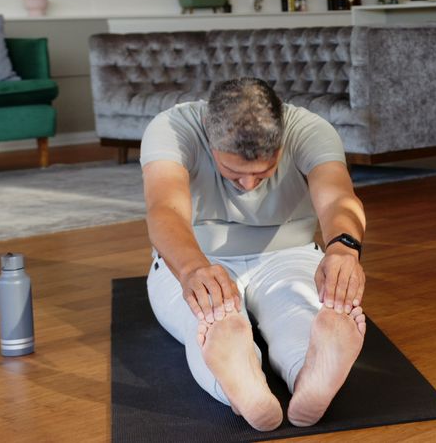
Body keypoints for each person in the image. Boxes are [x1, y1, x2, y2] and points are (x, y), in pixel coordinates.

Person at [141, 77, 367, 430]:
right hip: (197, 259)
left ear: (281, 137)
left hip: (289, 253)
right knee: (204, 321)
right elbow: (164, 210)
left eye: (263, 172)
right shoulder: (171, 128)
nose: (248, 185)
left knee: (302, 316)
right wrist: (191, 271)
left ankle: (309, 375)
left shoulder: (310, 129)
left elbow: (338, 198)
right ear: (207, 131)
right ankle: (241, 385)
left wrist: (344, 248)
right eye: (234, 172)